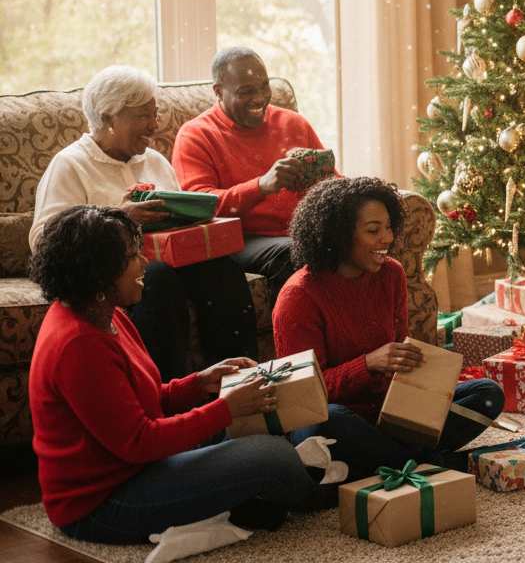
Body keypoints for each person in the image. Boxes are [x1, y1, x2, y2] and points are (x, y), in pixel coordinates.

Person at [28, 205, 330, 544]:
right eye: (132, 256)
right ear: (99, 271)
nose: (144, 262)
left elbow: (144, 399)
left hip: (143, 468)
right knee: (270, 456)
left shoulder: (105, 312)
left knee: (258, 428)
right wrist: (226, 408)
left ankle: (242, 501)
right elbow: (140, 442)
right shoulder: (79, 344)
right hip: (101, 504)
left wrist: (200, 382)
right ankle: (320, 500)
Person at [30, 65, 257, 380]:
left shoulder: (154, 161)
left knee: (224, 269)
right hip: (109, 270)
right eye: (143, 116)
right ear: (109, 118)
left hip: (166, 256)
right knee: (156, 276)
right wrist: (120, 219)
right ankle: (169, 395)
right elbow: (43, 240)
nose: (155, 124)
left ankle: (243, 382)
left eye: (155, 114)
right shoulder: (70, 164)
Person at [272, 176, 505, 481]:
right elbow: (303, 397)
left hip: (389, 413)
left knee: (486, 393)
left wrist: (423, 376)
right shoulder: (299, 295)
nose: (387, 238)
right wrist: (368, 364)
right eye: (373, 230)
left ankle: (387, 461)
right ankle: (422, 461)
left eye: (389, 227)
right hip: (334, 419)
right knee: (329, 424)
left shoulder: (391, 274)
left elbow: (401, 355)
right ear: (340, 235)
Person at [173, 47, 335, 301]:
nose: (259, 98)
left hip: (297, 231)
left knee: (363, 243)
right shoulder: (196, 135)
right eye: (246, 91)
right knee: (291, 252)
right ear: (218, 91)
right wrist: (260, 186)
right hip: (238, 238)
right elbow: (199, 207)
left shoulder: (294, 123)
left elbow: (332, 184)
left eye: (264, 87)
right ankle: (299, 341)